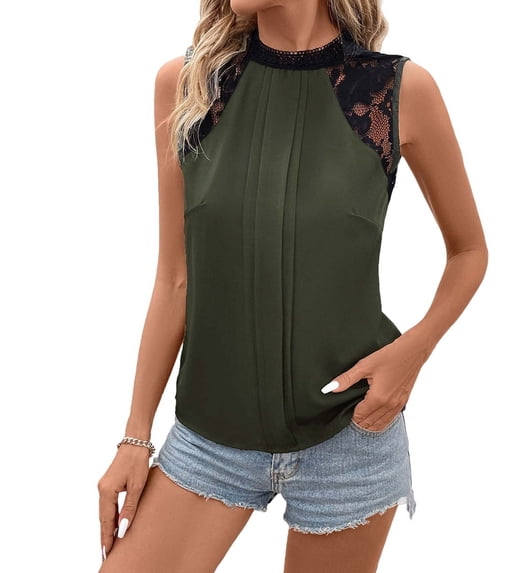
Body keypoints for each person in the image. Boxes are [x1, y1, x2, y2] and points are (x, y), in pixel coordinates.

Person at [97, 0, 488, 571]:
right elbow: (176, 279)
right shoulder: (188, 85)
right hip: (210, 439)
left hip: (351, 437)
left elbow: (469, 252)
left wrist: (413, 352)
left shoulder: (397, 91)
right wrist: (135, 438)